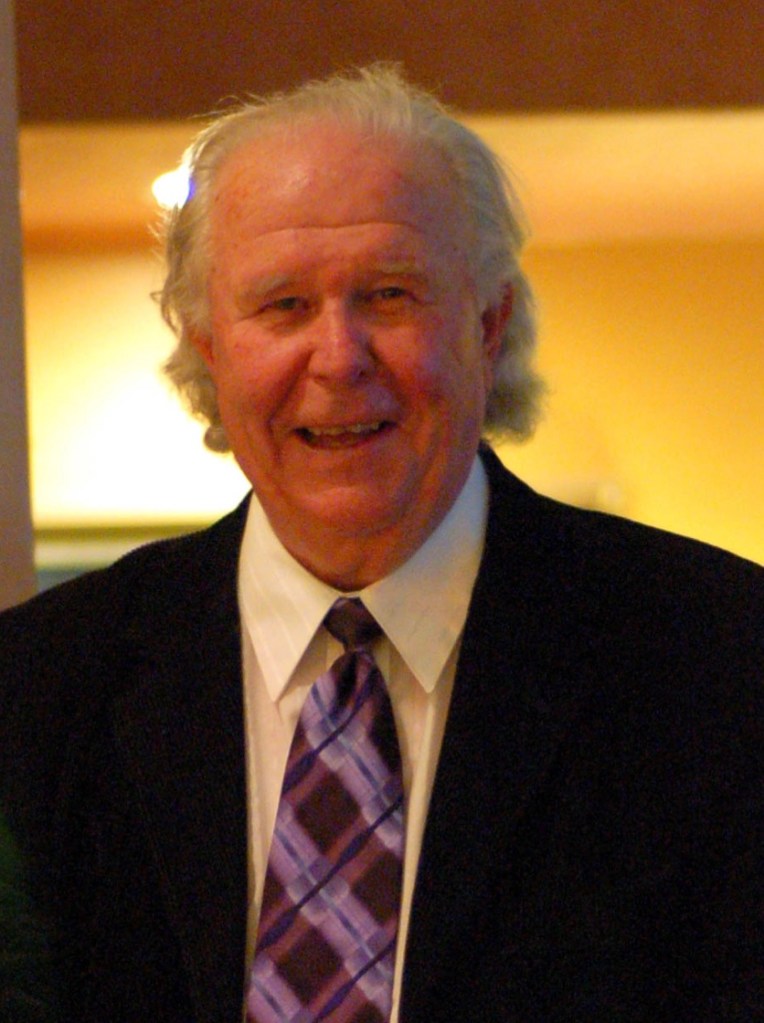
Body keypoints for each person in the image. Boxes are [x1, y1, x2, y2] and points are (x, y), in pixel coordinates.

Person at [1, 64, 762, 1023]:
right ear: (208, 349)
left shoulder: (722, 664)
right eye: (283, 305)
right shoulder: (37, 691)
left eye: (391, 295)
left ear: (489, 327)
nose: (339, 356)